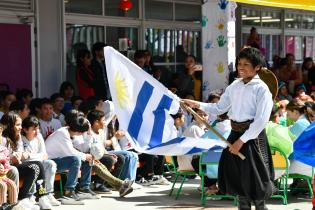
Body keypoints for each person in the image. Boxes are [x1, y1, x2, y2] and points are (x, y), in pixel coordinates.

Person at [183, 47, 274, 210]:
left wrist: (242, 141)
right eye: (240, 63)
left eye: (246, 64)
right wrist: (197, 104)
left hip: (253, 138)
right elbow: (219, 108)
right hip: (235, 134)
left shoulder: (262, 89)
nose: (241, 67)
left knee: (256, 183)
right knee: (239, 182)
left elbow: (261, 120)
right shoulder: (234, 86)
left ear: (257, 67)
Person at [1, 112, 50, 210]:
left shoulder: (18, 136)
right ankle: (22, 199)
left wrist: (18, 155)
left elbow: (20, 152)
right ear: (10, 125)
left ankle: (42, 196)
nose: (20, 127)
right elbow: (5, 156)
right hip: (7, 166)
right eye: (18, 125)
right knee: (34, 167)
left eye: (21, 125)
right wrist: (13, 157)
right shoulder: (2, 138)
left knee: (38, 165)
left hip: (14, 164)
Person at [21, 116, 61, 206]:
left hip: (38, 162)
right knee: (36, 165)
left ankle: (48, 193)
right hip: (27, 166)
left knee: (51, 163)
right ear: (25, 129)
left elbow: (45, 155)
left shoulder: (39, 136)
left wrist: (29, 155)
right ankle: (32, 196)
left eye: (38, 128)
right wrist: (36, 157)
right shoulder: (21, 138)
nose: (37, 131)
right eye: (34, 129)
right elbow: (22, 158)